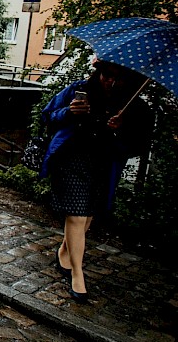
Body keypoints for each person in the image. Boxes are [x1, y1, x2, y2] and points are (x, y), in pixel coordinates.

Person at [40, 60, 152, 302]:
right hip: (72, 158)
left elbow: (139, 143)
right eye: (105, 75)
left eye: (116, 77)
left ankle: (65, 251)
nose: (108, 81)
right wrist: (69, 112)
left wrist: (119, 128)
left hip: (103, 162)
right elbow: (47, 115)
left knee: (88, 214)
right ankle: (78, 276)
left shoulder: (132, 104)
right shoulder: (79, 89)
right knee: (77, 215)